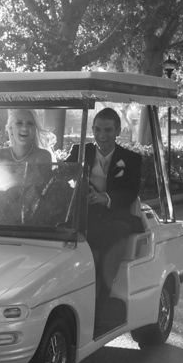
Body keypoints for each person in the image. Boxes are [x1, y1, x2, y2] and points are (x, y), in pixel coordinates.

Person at [64, 108, 143, 300]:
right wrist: (79, 189)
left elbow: (130, 193)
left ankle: (102, 298)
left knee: (115, 231)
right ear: (91, 129)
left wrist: (104, 198)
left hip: (114, 216)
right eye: (97, 129)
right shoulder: (79, 151)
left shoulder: (132, 159)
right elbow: (63, 177)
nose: (102, 135)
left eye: (108, 130)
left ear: (118, 131)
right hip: (84, 215)